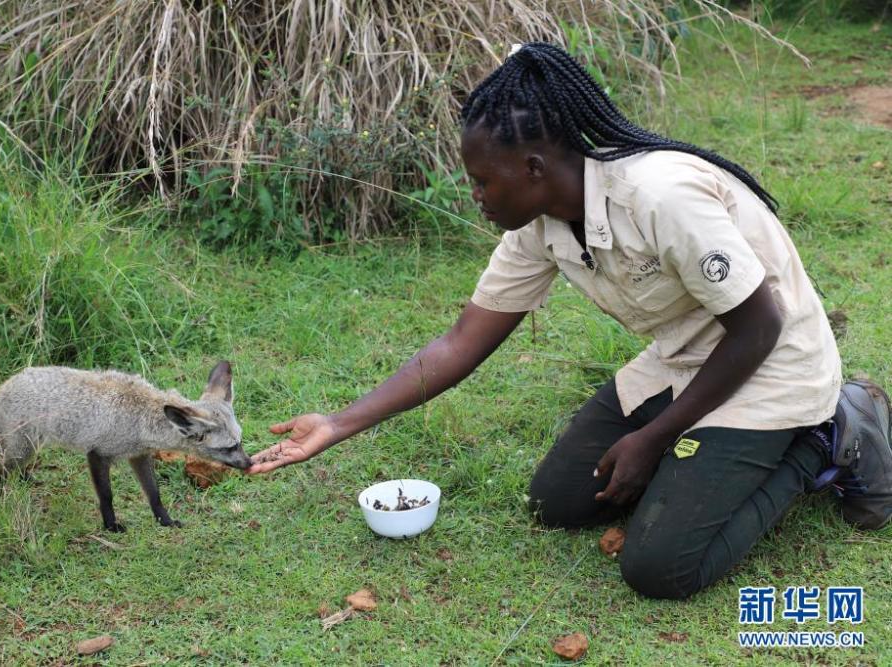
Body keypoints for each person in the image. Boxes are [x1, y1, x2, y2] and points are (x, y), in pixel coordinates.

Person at [246, 42, 892, 600]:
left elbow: (760, 326)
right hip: (687, 357)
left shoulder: (660, 197)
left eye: (481, 181)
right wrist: (336, 423)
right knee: (556, 502)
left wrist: (655, 436)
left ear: (532, 169)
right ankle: (704, 460)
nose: (474, 196)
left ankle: (832, 430)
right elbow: (461, 342)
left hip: (771, 363)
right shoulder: (541, 223)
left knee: (659, 565)